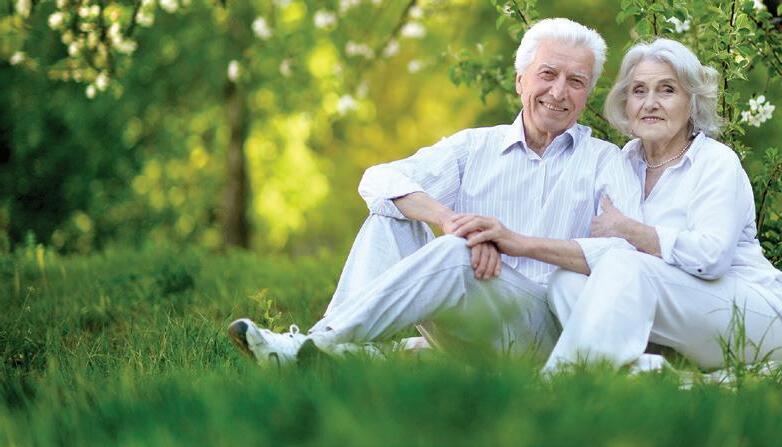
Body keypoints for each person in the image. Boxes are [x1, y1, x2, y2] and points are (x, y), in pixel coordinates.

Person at [227, 18, 638, 364]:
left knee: (455, 253)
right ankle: (328, 347)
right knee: (391, 216)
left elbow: (626, 254)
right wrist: (450, 220)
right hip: (474, 319)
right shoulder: (474, 147)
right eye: (548, 74)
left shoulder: (606, 161)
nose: (559, 91)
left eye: (576, 81)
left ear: (587, 94)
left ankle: (317, 348)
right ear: (520, 80)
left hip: (550, 334)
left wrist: (513, 242)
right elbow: (379, 180)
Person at [454, 38, 782, 371]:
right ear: (626, 102)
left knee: (625, 264)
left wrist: (631, 231)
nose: (650, 103)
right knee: (567, 281)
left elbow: (712, 258)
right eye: (639, 91)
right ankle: (642, 371)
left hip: (752, 316)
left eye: (667, 90)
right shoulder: (624, 162)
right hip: (679, 327)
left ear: (692, 102)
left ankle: (559, 382)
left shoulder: (715, 161)